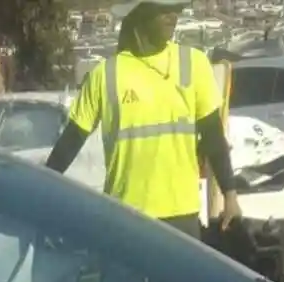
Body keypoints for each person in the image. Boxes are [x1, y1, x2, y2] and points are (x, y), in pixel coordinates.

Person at [45, 0, 239, 240]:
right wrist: (41, 188)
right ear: (139, 14)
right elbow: (71, 141)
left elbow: (213, 136)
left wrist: (229, 193)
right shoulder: (105, 75)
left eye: (176, 9)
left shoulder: (194, 64)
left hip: (182, 215)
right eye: (163, 9)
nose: (172, 16)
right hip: (126, 216)